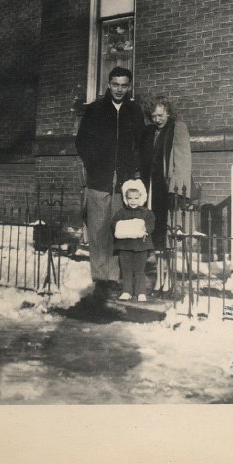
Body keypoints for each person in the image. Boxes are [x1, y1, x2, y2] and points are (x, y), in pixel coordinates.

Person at [75, 67, 145, 297]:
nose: (119, 89)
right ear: (109, 84)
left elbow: (141, 143)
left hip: (123, 181)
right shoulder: (95, 109)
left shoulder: (134, 111)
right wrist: (94, 164)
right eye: (116, 84)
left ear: (129, 86)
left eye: (124, 85)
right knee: (97, 230)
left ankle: (114, 277)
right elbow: (82, 141)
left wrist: (132, 168)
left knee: (118, 230)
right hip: (99, 179)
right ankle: (99, 277)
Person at [139, 96, 192, 293]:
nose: (157, 119)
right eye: (153, 116)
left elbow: (183, 160)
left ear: (169, 113)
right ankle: (158, 277)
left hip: (167, 187)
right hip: (150, 187)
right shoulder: (150, 132)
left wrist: (177, 190)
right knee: (154, 231)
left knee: (167, 232)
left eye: (161, 115)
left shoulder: (177, 128)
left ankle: (168, 278)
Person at [111, 179, 155, 302]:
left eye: (136, 198)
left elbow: (151, 224)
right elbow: (114, 223)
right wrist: (122, 226)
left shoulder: (146, 213)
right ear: (126, 198)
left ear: (141, 197)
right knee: (126, 269)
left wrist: (145, 229)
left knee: (140, 269)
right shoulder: (121, 212)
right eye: (130, 198)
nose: (133, 201)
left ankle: (140, 292)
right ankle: (126, 291)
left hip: (141, 245)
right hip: (125, 245)